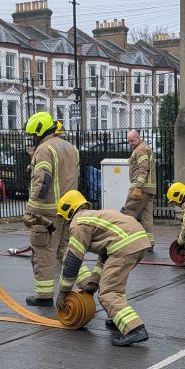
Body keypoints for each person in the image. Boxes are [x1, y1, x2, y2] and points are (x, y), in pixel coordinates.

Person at [55, 190, 150, 346]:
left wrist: (63, 292)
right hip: (138, 241)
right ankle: (118, 319)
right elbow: (104, 255)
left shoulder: (78, 223)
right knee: (115, 287)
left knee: (108, 292)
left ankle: (135, 329)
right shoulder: (94, 216)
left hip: (125, 245)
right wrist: (93, 282)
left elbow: (73, 260)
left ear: (68, 210)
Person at [22, 111, 79, 307]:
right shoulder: (70, 148)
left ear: (40, 131)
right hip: (68, 210)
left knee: (43, 252)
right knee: (66, 251)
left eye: (32, 136)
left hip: (47, 212)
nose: (32, 140)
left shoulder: (44, 149)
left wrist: (32, 210)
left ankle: (44, 296)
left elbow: (43, 180)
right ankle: (86, 282)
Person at [121, 130, 156, 250]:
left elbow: (143, 169)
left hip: (140, 188)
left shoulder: (140, 149)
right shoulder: (144, 147)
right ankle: (149, 243)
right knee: (146, 216)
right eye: (128, 141)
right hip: (149, 188)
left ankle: (124, 240)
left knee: (127, 212)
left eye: (132, 140)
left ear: (138, 137)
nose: (130, 143)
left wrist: (138, 187)